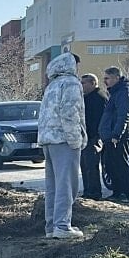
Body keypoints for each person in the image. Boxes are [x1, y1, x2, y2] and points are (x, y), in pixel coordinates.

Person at [37, 53, 86, 239]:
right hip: (64, 140)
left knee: (53, 186)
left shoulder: (52, 85)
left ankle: (51, 226)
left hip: (48, 140)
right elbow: (70, 113)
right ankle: (63, 226)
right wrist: (76, 140)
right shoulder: (71, 83)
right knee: (67, 184)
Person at [99, 66, 129, 203]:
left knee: (120, 165)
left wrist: (117, 134)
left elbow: (124, 115)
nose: (105, 81)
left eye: (107, 78)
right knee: (110, 164)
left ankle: (125, 193)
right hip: (109, 135)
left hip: (117, 136)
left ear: (117, 78)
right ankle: (117, 192)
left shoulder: (123, 92)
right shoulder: (115, 92)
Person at [81, 73, 109, 200]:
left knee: (91, 165)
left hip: (94, 137)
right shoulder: (86, 97)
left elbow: (99, 119)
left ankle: (94, 192)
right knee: (84, 165)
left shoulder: (99, 97)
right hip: (85, 136)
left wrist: (94, 135)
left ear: (93, 83)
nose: (81, 86)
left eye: (84, 83)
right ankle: (88, 191)